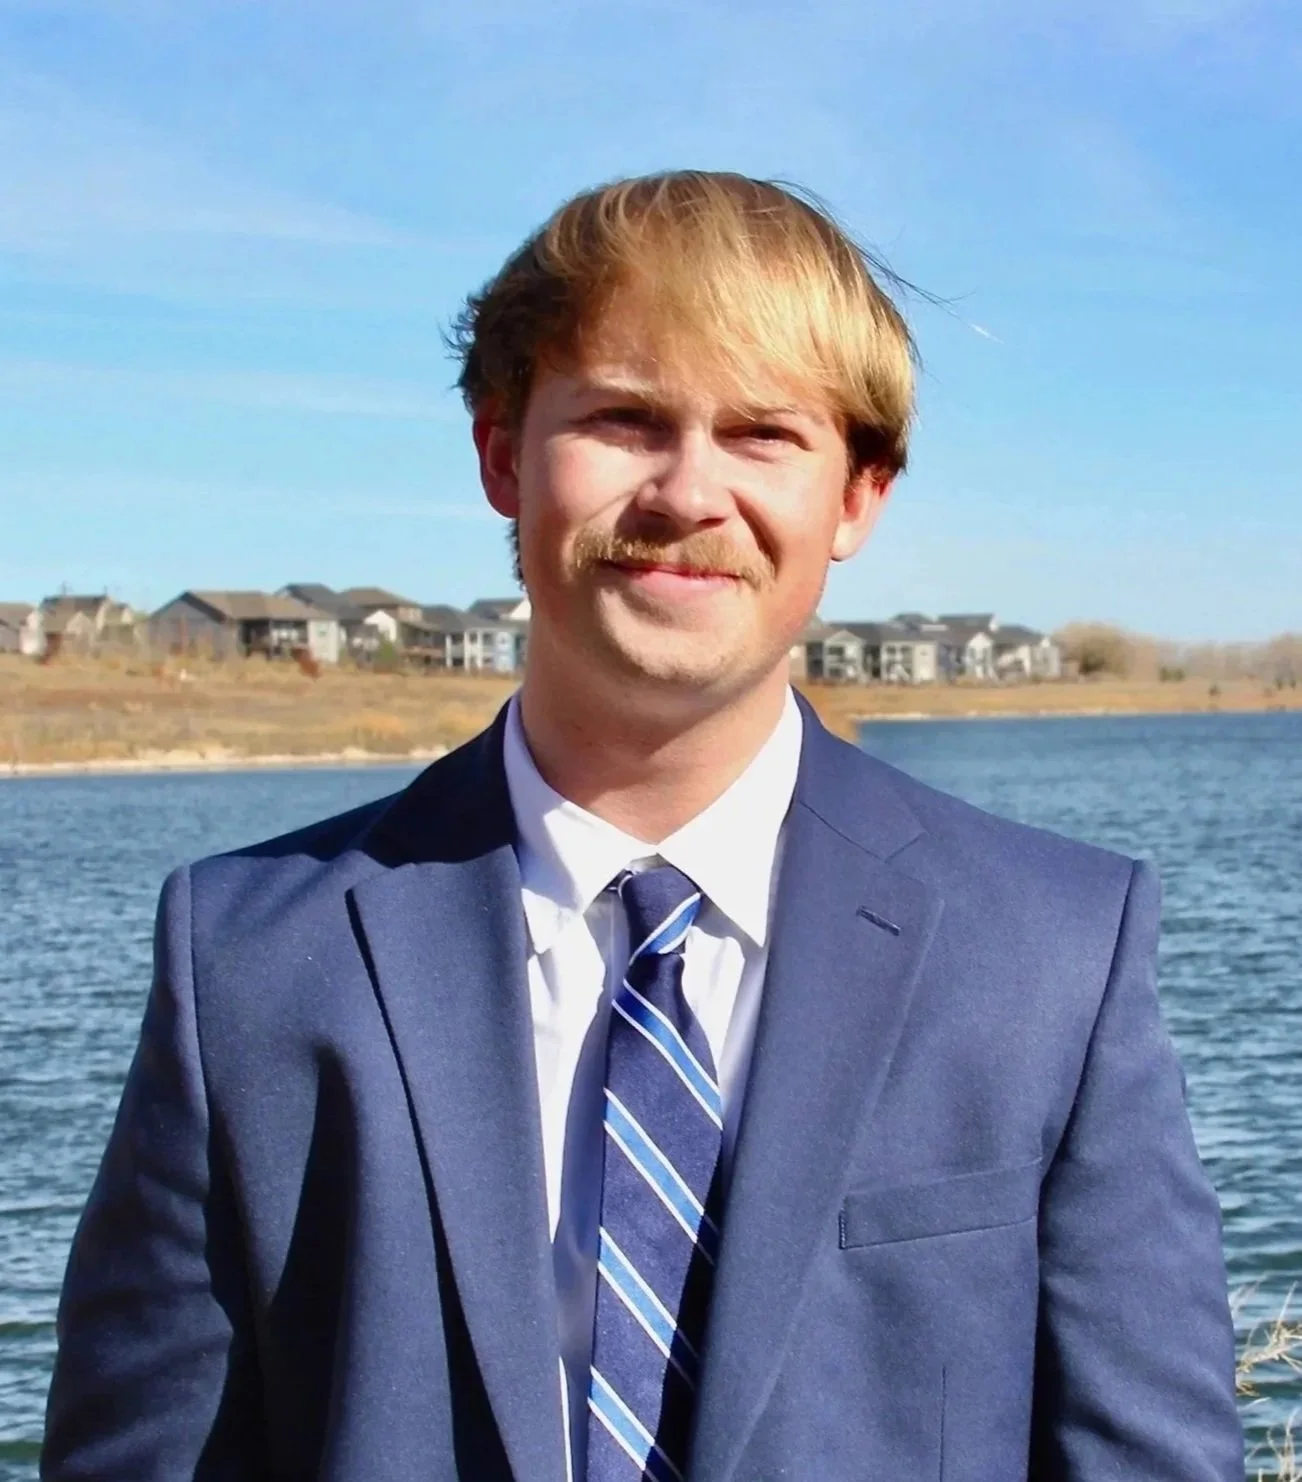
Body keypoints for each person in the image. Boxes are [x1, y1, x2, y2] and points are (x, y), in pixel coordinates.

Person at [43, 171, 1242, 1482]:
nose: (686, 491)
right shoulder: (252, 958)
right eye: (623, 418)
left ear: (857, 495)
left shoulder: (1048, 953)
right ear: (503, 453)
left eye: (763, 434)